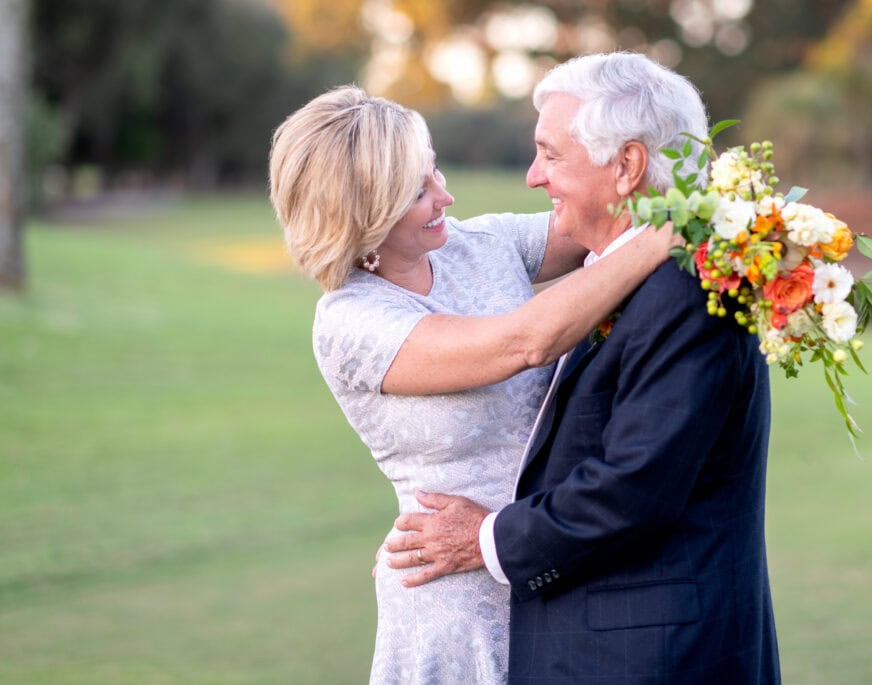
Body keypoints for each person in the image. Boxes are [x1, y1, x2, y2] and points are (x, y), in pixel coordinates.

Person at [385, 52, 781, 683]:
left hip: (655, 660)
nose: (533, 176)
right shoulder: (623, 273)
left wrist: (484, 538)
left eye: (551, 153)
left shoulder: (690, 289)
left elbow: (634, 487)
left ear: (627, 166)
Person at [268, 85, 678, 684]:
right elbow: (523, 343)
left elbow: (605, 215)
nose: (445, 196)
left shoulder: (479, 243)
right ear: (363, 212)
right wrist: (662, 238)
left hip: (550, 564)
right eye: (417, 191)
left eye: (434, 171)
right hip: (456, 602)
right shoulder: (351, 323)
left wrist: (691, 191)